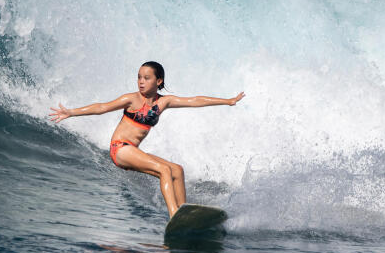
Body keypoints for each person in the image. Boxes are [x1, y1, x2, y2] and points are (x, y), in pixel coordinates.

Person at [49, 61, 244, 218]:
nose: (141, 81)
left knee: (177, 170)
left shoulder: (163, 102)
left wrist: (227, 101)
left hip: (133, 150)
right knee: (164, 170)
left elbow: (194, 100)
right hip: (120, 149)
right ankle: (174, 213)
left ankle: (185, 212)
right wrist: (71, 112)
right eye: (139, 77)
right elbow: (102, 107)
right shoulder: (132, 99)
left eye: (146, 78)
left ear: (158, 81)